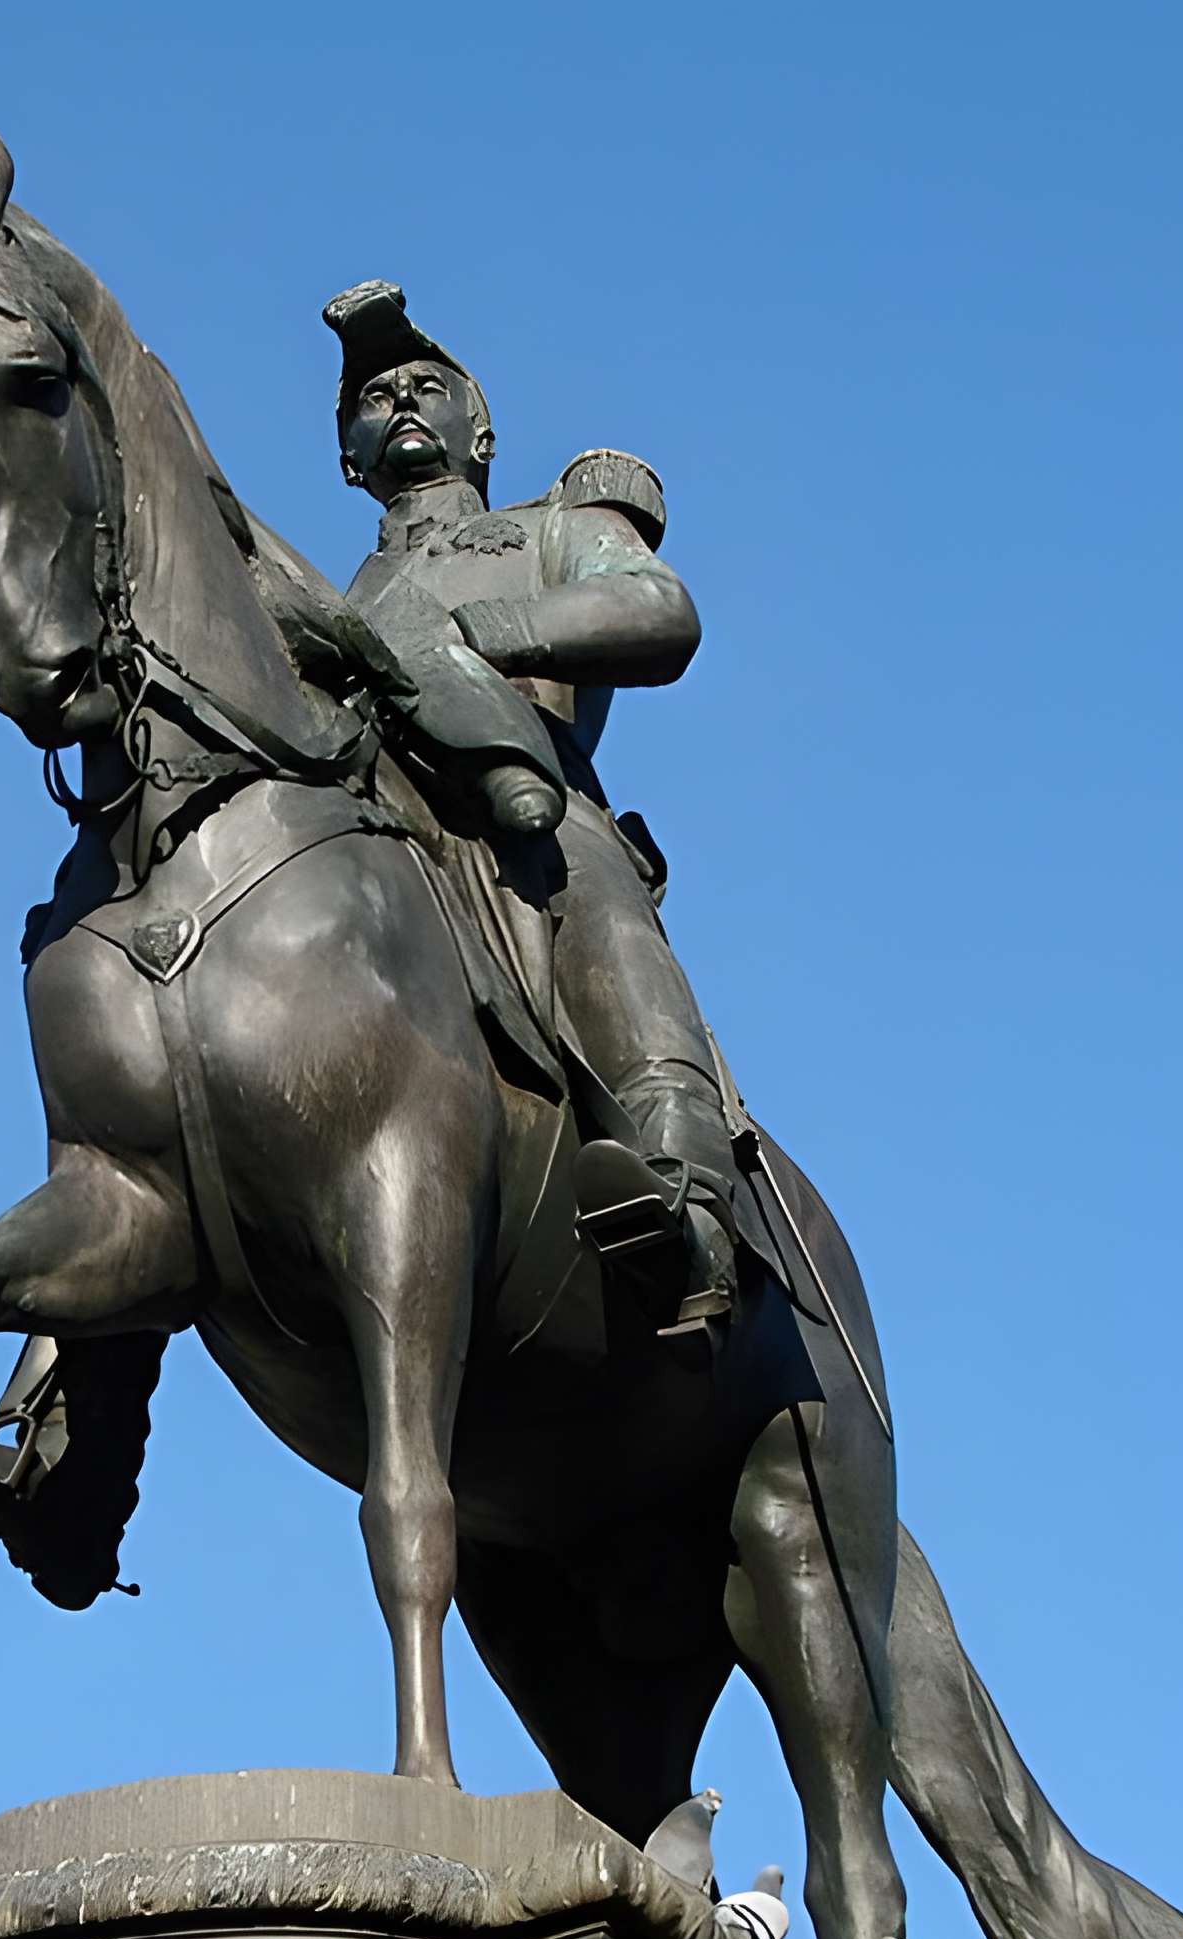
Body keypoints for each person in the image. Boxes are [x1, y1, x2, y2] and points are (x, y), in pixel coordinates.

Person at [324, 279, 745, 1339]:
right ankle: (72, 1399)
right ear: (348, 456)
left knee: (596, 899)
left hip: (522, 821)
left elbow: (658, 610)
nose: (402, 402)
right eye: (375, 398)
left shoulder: (551, 526)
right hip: (361, 828)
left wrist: (480, 630)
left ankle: (688, 1190)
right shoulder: (324, 597)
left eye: (427, 386)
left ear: (481, 430)